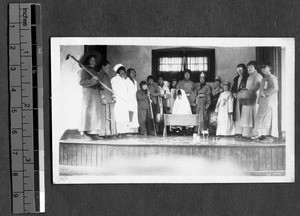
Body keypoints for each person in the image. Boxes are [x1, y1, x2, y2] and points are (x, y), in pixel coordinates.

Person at [78, 52, 105, 140]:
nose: (94, 62)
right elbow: (82, 82)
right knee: (88, 113)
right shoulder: (83, 70)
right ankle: (85, 133)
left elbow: (97, 82)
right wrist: (92, 80)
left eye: (94, 61)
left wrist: (100, 84)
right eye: (92, 60)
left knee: (95, 114)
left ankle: (93, 133)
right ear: (87, 61)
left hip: (96, 95)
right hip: (88, 95)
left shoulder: (94, 71)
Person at [255, 63, 279, 140]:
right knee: (261, 116)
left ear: (269, 68)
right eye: (262, 68)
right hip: (263, 100)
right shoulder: (264, 78)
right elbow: (261, 89)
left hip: (269, 100)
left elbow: (275, 88)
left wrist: (265, 94)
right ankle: (262, 134)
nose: (263, 70)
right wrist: (259, 99)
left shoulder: (272, 77)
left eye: (265, 68)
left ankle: (269, 135)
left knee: (268, 116)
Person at [240, 61, 263, 138]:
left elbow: (258, 86)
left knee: (254, 114)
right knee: (248, 115)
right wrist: (245, 90)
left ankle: (256, 134)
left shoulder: (258, 76)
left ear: (255, 67)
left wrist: (248, 92)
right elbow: (248, 86)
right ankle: (248, 134)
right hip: (248, 97)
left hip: (254, 97)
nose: (249, 68)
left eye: (251, 67)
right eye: (248, 67)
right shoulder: (249, 76)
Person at [97, 60, 117, 136]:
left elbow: (110, 87)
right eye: (107, 67)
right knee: (104, 116)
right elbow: (98, 88)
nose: (108, 68)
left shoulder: (106, 75)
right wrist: (102, 97)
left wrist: (113, 96)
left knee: (109, 116)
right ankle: (103, 133)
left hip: (109, 98)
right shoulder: (99, 75)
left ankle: (108, 132)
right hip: (104, 98)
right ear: (103, 66)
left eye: (109, 67)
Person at [111, 64, 130, 134]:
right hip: (118, 100)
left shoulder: (124, 80)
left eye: (123, 71)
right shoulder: (114, 79)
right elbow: (112, 90)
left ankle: (124, 131)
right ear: (118, 72)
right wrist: (114, 98)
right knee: (118, 115)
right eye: (120, 71)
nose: (122, 73)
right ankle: (118, 131)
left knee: (124, 116)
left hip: (124, 101)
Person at [231, 64, 249, 137]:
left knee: (244, 114)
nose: (239, 71)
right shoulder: (236, 78)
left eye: (240, 69)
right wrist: (234, 93)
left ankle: (245, 132)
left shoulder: (247, 78)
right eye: (238, 69)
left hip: (244, 98)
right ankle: (238, 131)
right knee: (237, 114)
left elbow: (248, 88)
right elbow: (233, 88)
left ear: (244, 70)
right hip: (237, 99)